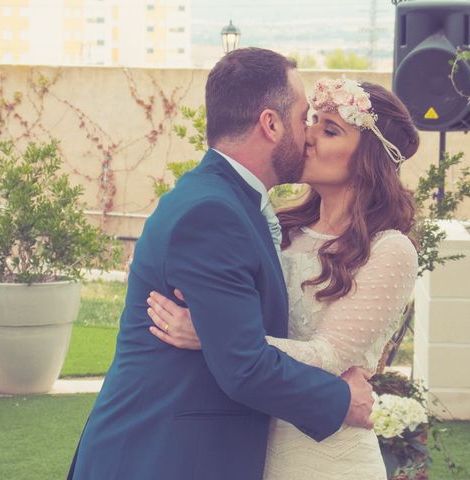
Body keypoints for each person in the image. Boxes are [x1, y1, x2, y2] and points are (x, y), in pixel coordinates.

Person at [67, 49, 376, 480]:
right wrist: (343, 400)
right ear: (270, 124)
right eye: (303, 117)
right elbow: (244, 367)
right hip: (159, 458)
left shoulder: (231, 201)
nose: (308, 135)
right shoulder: (212, 213)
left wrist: (210, 334)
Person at [146, 77, 420, 479]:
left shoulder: (389, 250)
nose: (308, 137)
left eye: (330, 130)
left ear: (369, 158)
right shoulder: (280, 225)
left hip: (326, 456)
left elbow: (328, 357)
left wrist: (215, 336)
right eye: (312, 121)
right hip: (249, 446)